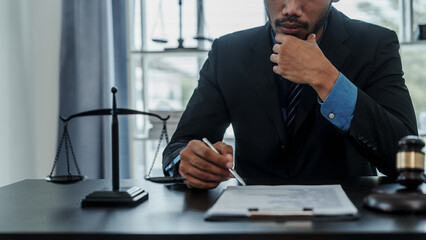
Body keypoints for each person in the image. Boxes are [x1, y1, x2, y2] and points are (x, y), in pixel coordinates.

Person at [162, 0, 418, 189]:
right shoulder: (227, 52)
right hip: (252, 224)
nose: (291, 8)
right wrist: (189, 163)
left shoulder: (374, 45)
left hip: (349, 225)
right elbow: (179, 147)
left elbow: (405, 158)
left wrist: (327, 79)